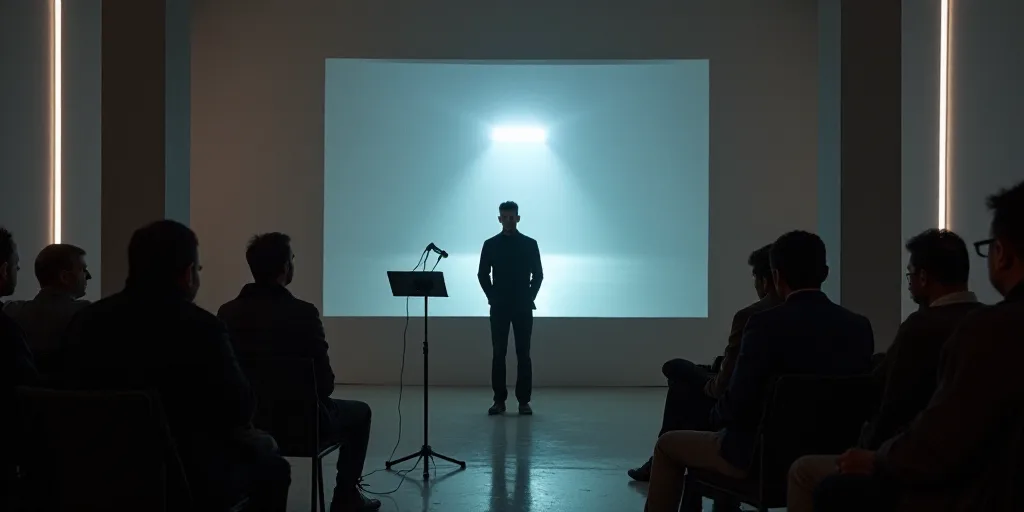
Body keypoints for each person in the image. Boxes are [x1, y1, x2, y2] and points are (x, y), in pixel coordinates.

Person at [813, 180, 1024, 512]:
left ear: (1003, 254)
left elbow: (932, 435)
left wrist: (874, 456)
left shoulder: (986, 331)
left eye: (910, 275)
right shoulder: (980, 321)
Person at [60, 220, 290, 511]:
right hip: (187, 478)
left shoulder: (86, 323)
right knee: (273, 466)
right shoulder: (203, 328)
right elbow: (239, 408)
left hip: (93, 474)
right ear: (188, 274)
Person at [644, 230, 874, 512]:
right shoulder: (858, 326)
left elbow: (737, 401)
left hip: (757, 459)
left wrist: (714, 418)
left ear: (775, 277)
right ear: (825, 273)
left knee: (668, 445)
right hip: (831, 453)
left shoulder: (763, 324)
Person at [786, 228, 983, 512]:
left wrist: (868, 453)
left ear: (924, 278)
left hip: (911, 467)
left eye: (910, 275)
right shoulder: (987, 322)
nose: (910, 284)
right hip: (968, 471)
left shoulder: (920, 327)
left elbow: (891, 406)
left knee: (803, 471)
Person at [218, 232, 380, 512]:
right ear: (284, 267)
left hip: (248, 425)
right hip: (302, 427)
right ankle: (345, 497)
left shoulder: (227, 313)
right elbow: (325, 385)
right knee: (360, 412)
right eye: (291, 258)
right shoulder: (304, 314)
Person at [628, 243, 780, 482]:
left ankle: (659, 461)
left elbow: (724, 389)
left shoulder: (751, 317)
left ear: (767, 279)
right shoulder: (844, 324)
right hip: (792, 431)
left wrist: (710, 383)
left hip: (745, 426)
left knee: (677, 371)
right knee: (686, 376)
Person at [478, 201, 543, 415]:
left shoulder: (529, 243)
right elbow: (482, 274)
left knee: (523, 354)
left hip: (523, 306)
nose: (508, 220)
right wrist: (492, 297)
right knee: (499, 354)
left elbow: (538, 274)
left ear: (518, 218)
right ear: (499, 219)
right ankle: (499, 400)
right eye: (504, 217)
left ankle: (524, 401)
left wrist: (529, 296)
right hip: (500, 306)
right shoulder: (490, 244)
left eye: (511, 217)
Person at [4, 243, 91, 373]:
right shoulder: (88, 314)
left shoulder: (10, 311)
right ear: (64, 277)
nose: (88, 276)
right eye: (83, 270)